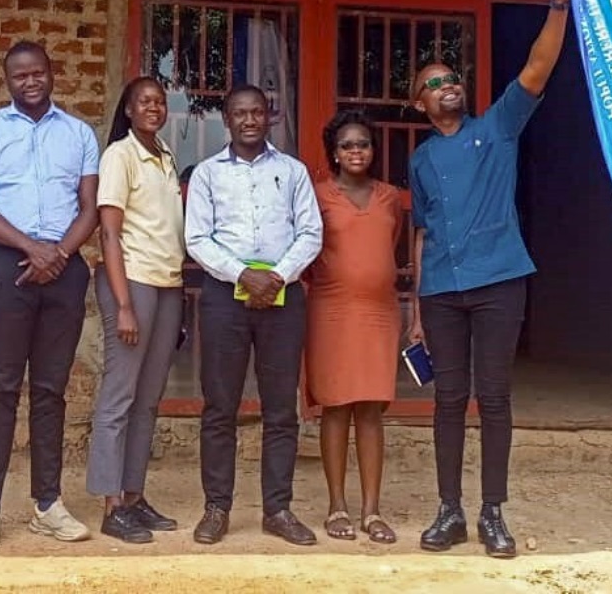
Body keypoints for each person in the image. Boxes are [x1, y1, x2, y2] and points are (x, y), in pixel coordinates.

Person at [409, 0, 581, 559]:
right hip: (440, 291)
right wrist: (414, 308)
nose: (446, 84)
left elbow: (539, 65)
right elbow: (423, 231)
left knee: (496, 395)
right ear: (419, 105)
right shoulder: (421, 160)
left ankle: (492, 513)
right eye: (432, 83)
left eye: (450, 77)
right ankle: (448, 510)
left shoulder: (498, 127)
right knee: (448, 397)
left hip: (501, 280)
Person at [0, 40, 99, 547]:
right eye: (20, 76)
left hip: (64, 268)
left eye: (38, 72)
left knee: (50, 389)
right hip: (5, 263)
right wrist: (31, 249)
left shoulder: (80, 134)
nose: (30, 81)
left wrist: (57, 254)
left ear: (52, 74)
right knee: (1, 386)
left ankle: (47, 503)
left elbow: (88, 207)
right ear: (7, 80)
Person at [184, 84, 323, 547]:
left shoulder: (293, 171)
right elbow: (198, 239)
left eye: (257, 112)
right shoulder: (206, 174)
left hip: (283, 298)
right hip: (225, 296)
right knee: (219, 406)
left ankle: (278, 508)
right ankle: (216, 507)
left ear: (270, 117)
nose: (249, 120)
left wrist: (277, 277)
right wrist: (245, 274)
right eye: (240, 113)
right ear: (227, 119)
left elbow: (310, 232)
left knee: (281, 408)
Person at [85, 76, 186, 544]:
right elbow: (108, 234)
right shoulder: (120, 156)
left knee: (148, 399)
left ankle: (133, 493)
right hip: (133, 284)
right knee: (120, 396)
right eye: (144, 101)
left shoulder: (164, 156)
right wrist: (124, 305)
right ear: (127, 109)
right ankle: (110, 505)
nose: (154, 107)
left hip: (167, 284)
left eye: (160, 101)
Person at [305, 110, 402, 545]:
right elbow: (307, 248)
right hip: (332, 310)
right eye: (347, 145)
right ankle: (336, 506)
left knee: (371, 407)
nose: (356, 151)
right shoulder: (319, 195)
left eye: (363, 143)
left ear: (373, 149)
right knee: (336, 405)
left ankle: (372, 511)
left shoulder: (389, 198)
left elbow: (390, 246)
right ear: (335, 153)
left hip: (379, 312)